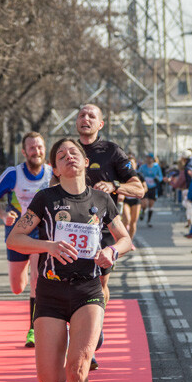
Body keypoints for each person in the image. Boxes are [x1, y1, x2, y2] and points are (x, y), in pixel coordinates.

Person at [6, 138, 132, 382]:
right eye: (61, 155)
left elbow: (125, 239)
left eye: (74, 152)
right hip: (50, 292)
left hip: (88, 290)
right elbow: (15, 238)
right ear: (56, 168)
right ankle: (65, 359)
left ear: (85, 162)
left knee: (77, 370)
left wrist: (112, 251)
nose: (68, 157)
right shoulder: (45, 199)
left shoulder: (102, 200)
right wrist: (48, 246)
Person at [75, 104, 145, 363]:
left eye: (91, 116)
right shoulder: (68, 149)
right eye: (82, 115)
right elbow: (53, 182)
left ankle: (95, 330)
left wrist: (115, 186)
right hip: (71, 227)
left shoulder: (112, 151)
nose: (86, 119)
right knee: (72, 284)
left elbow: (139, 189)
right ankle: (82, 339)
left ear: (100, 124)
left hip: (102, 228)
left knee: (99, 284)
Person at [0, 132, 54, 348]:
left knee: (37, 279)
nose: (37, 151)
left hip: (40, 234)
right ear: (24, 152)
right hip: (17, 234)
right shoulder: (13, 174)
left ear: (45, 149)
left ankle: (33, 329)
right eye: (32, 148)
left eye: (40, 147)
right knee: (17, 287)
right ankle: (24, 271)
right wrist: (3, 215)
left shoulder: (52, 174)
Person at [120, 156, 145, 239]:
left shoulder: (139, 175)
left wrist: (139, 191)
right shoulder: (123, 175)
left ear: (136, 164)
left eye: (132, 163)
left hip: (136, 201)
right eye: (129, 163)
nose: (131, 165)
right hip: (126, 200)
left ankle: (130, 240)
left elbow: (145, 188)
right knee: (127, 219)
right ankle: (123, 239)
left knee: (133, 222)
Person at [138, 153, 162, 227]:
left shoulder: (156, 167)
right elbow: (138, 174)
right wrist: (141, 178)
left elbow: (160, 176)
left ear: (153, 159)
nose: (148, 159)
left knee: (151, 204)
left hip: (153, 187)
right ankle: (142, 211)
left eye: (150, 158)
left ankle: (149, 221)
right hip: (145, 187)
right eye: (147, 158)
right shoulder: (143, 167)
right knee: (144, 203)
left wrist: (157, 179)